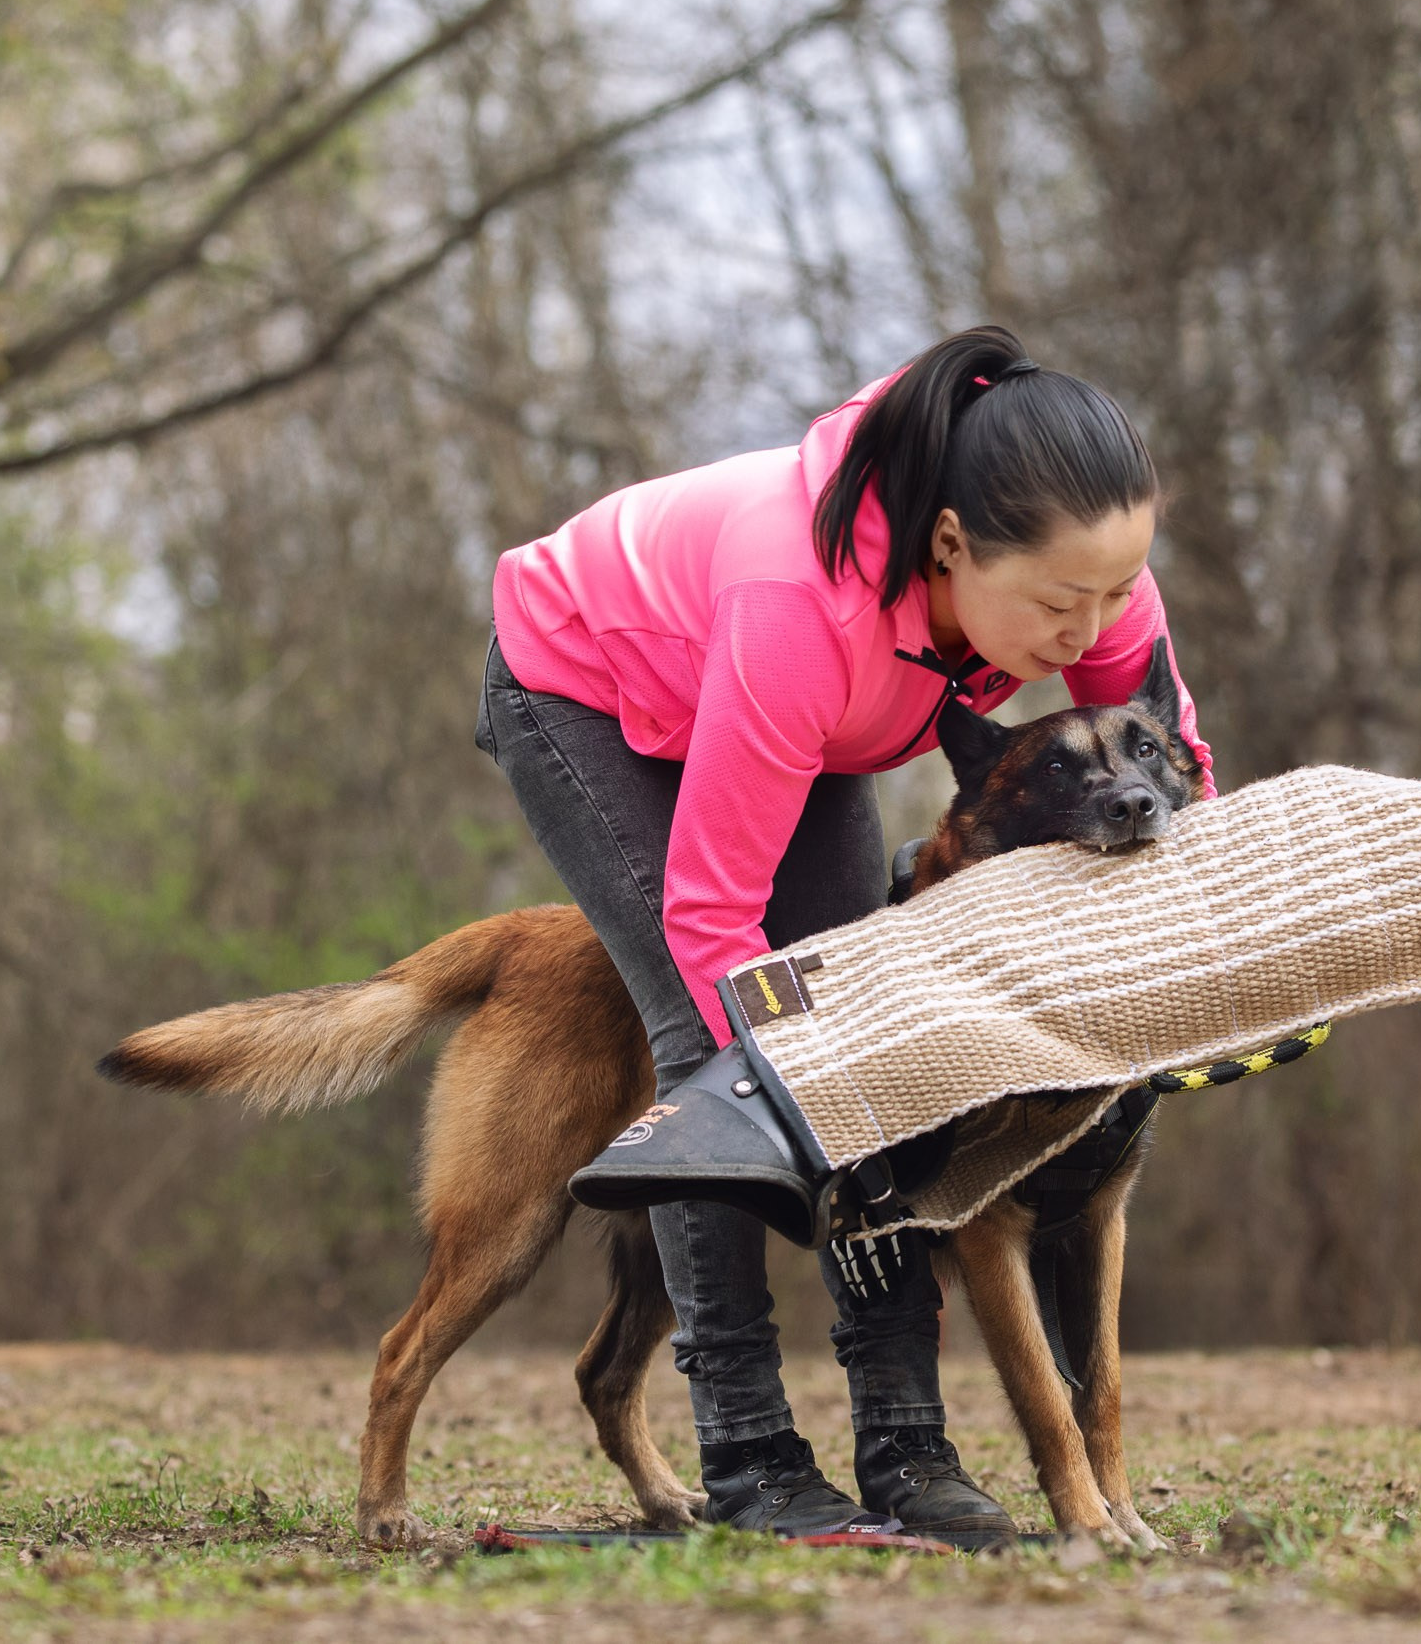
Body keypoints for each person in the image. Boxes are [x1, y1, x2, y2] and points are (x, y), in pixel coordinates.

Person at [473, 325, 1217, 1536]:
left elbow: (1183, 772)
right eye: (1057, 604)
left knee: (866, 1045)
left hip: (818, 723)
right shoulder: (794, 612)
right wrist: (799, 1088)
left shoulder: (1083, 571)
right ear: (949, 545)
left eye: (1117, 591)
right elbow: (711, 916)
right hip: (590, 688)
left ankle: (906, 1447)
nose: (1090, 633)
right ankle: (751, 1453)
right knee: (717, 1052)